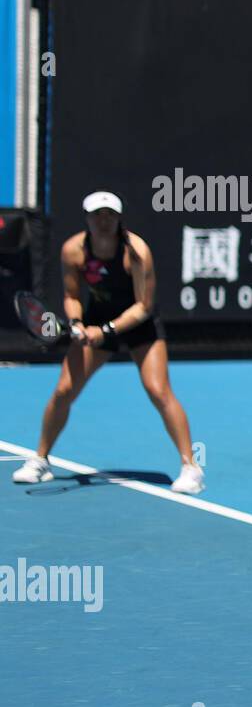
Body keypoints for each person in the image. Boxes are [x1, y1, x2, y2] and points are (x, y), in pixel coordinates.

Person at [12, 191, 204, 494]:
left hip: (139, 326)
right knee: (64, 390)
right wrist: (76, 323)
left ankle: (191, 468)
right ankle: (40, 461)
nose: (103, 221)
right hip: (95, 321)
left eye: (110, 215)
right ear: (87, 218)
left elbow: (144, 306)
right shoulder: (73, 250)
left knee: (158, 390)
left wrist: (106, 330)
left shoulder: (137, 252)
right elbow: (72, 296)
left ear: (118, 218)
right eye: (97, 215)